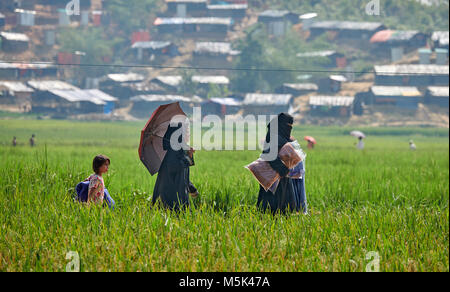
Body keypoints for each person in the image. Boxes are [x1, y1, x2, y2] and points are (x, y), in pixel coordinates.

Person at [257, 113, 298, 215]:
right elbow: (269, 154)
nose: (289, 129)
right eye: (288, 126)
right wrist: (282, 168)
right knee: (271, 203)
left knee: (283, 202)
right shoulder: (273, 136)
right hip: (273, 175)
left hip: (281, 174)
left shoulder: (279, 134)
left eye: (291, 127)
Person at [152, 123, 198, 211]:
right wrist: (188, 155)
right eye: (186, 131)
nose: (188, 133)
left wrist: (192, 189)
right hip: (172, 204)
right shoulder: (174, 155)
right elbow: (178, 169)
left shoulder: (173, 152)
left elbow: (182, 177)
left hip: (169, 203)